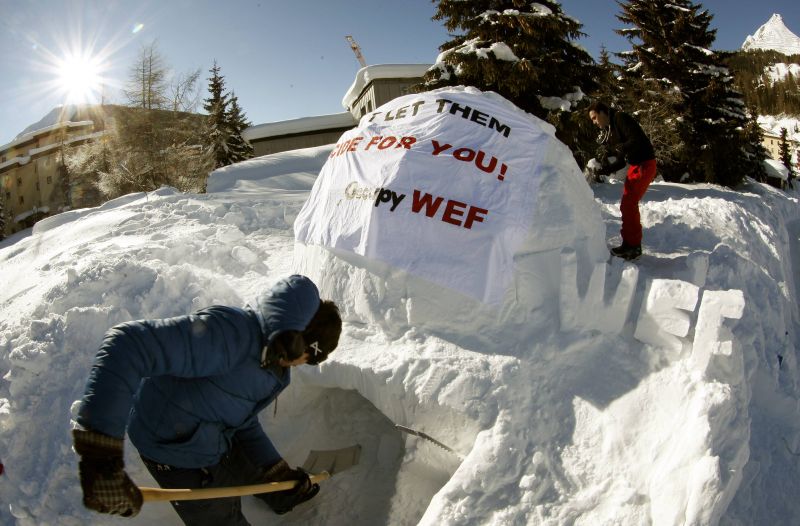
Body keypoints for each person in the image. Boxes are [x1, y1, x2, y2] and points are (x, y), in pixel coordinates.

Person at [71, 274, 342, 525]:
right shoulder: (229, 335)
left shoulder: (274, 369)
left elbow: (241, 423)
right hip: (174, 450)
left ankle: (278, 493)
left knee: (250, 469)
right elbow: (127, 344)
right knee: (221, 516)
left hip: (210, 430)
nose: (303, 363)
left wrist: (276, 473)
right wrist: (100, 458)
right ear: (300, 340)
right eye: (311, 357)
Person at [588, 101, 657, 261]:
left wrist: (621, 148)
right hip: (636, 165)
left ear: (603, 112)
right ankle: (629, 244)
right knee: (626, 204)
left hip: (645, 164)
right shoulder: (612, 129)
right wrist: (604, 170)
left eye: (594, 118)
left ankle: (633, 247)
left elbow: (637, 139)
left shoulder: (620, 118)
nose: (594, 122)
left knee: (629, 204)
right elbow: (621, 160)